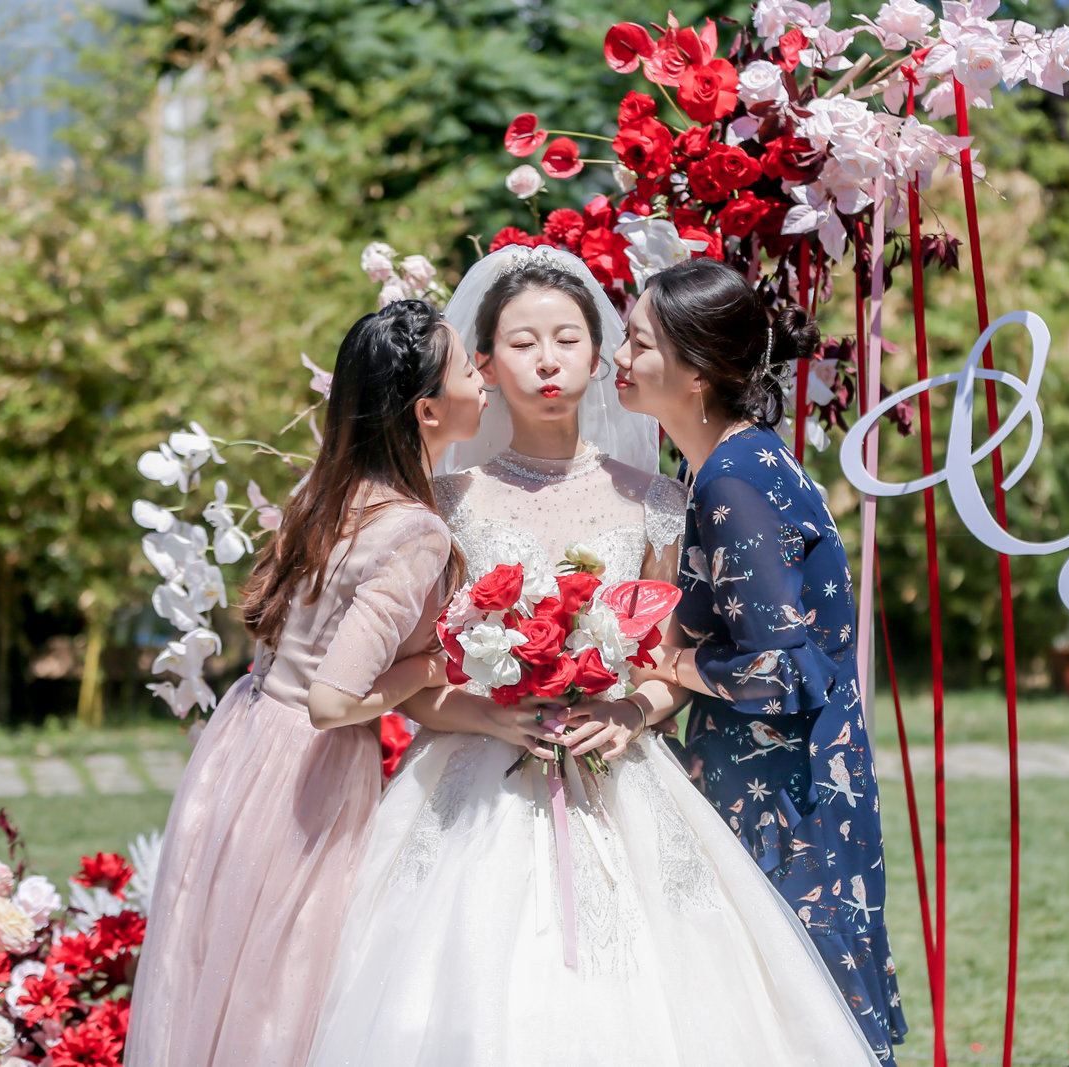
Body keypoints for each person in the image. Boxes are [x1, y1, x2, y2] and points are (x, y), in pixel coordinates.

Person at [305, 245, 880, 1067]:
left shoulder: (659, 501)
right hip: (476, 785)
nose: (547, 360)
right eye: (522, 342)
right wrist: (491, 715)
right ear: (485, 365)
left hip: (622, 776)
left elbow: (671, 661)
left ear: (598, 354)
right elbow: (417, 677)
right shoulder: (446, 506)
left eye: (568, 338)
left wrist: (630, 710)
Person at [125, 300, 486, 1067]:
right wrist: (433, 664)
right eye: (467, 367)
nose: (482, 376)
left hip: (244, 741)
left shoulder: (323, 491)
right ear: (427, 410)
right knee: (283, 985)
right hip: (310, 768)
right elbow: (332, 700)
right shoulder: (415, 530)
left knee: (221, 965)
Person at [616, 256, 906, 1062]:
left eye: (639, 343)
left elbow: (784, 670)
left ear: (697, 370)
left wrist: (671, 666)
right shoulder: (725, 461)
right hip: (784, 773)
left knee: (797, 1008)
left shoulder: (731, 482)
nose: (619, 357)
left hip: (783, 792)